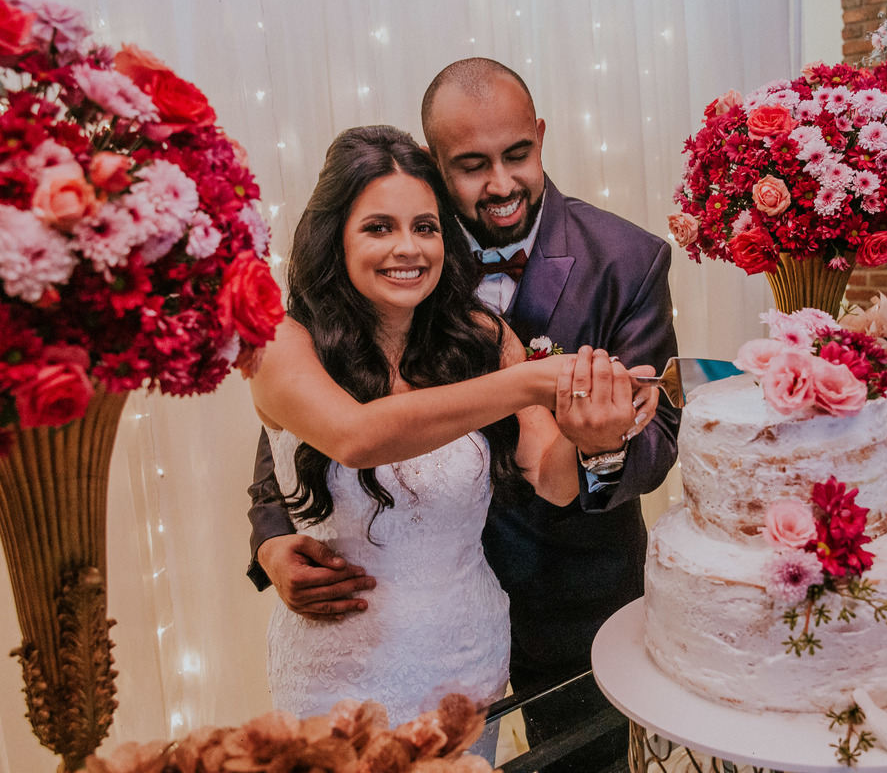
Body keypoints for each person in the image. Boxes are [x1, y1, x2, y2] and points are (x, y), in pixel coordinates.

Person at [249, 60, 680, 770]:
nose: (409, 246)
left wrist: (593, 445)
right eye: (473, 166)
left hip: (543, 606)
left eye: (517, 155)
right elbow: (318, 440)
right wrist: (271, 538)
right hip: (347, 661)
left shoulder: (614, 266)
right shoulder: (293, 337)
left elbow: (574, 461)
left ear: (541, 136)